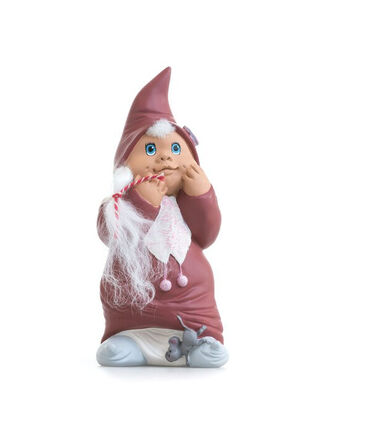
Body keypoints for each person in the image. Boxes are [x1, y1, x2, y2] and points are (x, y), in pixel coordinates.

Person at [96, 67, 228, 367]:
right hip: (136, 313)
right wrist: (140, 203)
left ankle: (199, 342)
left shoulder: (185, 204)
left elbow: (207, 234)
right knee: (117, 351)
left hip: (191, 310)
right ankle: (130, 342)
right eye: (151, 149)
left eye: (176, 148)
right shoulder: (118, 204)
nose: (166, 157)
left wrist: (202, 196)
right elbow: (108, 233)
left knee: (207, 345)